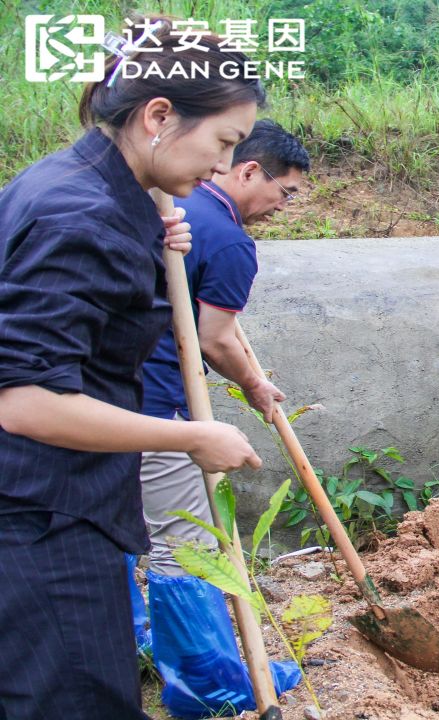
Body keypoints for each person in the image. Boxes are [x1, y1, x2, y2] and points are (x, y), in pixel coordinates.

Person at [0, 19, 266, 719]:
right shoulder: (79, 216)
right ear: (158, 116)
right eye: (224, 142)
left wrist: (146, 232)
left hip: (53, 504)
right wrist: (193, 437)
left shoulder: (72, 185)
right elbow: (24, 401)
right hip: (37, 515)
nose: (223, 165)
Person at [132, 119, 310, 719]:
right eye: (286, 192)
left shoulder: (173, 209)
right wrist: (255, 385)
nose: (283, 207)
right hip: (158, 405)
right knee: (184, 544)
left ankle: (136, 641)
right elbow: (215, 337)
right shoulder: (230, 240)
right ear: (249, 171)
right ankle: (207, 686)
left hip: (104, 398)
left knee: (113, 526)